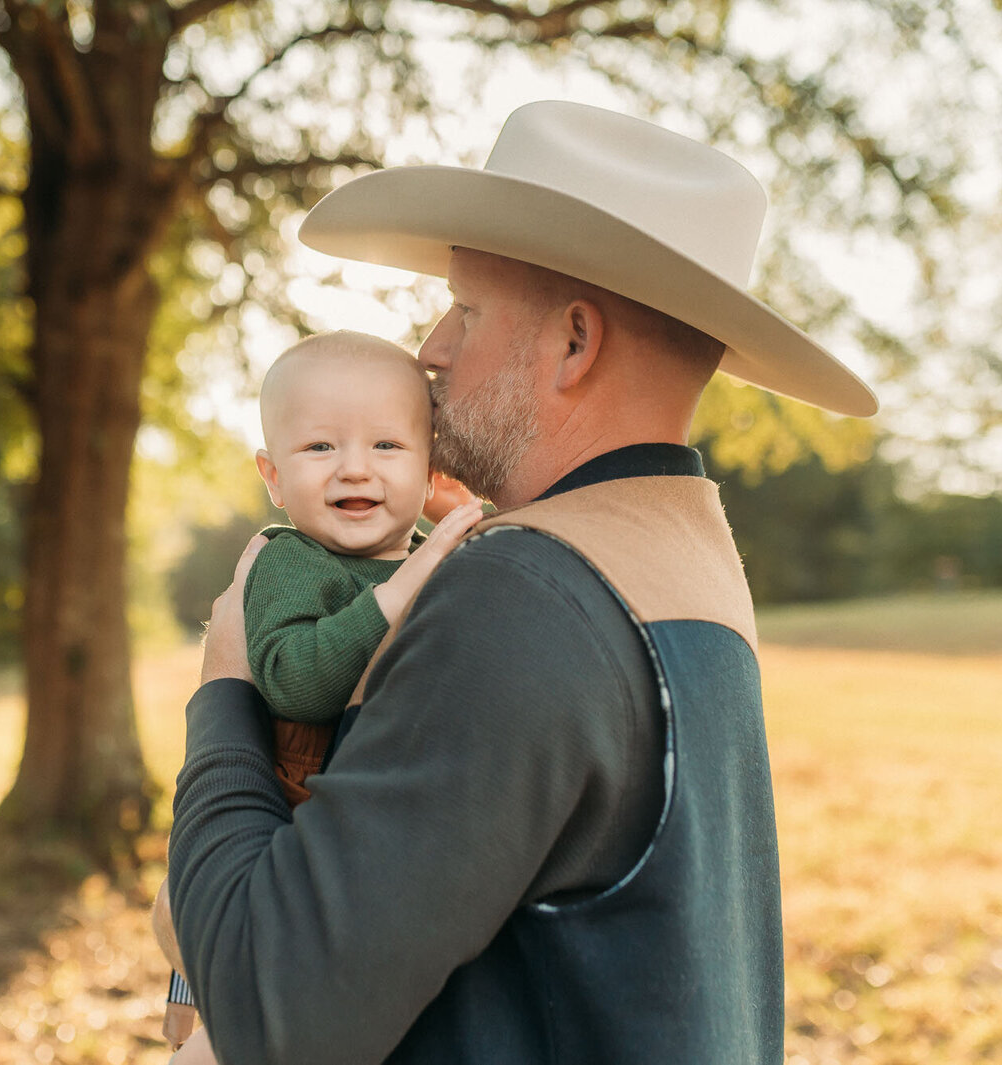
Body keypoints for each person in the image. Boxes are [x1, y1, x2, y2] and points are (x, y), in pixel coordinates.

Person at [164, 101, 879, 1065]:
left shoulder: (520, 592)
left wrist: (225, 686)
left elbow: (271, 1009)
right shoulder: (689, 559)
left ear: (574, 342)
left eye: (465, 310)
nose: (430, 350)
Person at [159, 331, 483, 1059]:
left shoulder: (429, 554)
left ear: (431, 467)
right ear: (274, 476)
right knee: (242, 1021)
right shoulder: (291, 560)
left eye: (387, 446)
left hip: (378, 819)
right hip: (287, 804)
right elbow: (295, 682)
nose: (355, 467)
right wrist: (403, 590)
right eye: (320, 447)